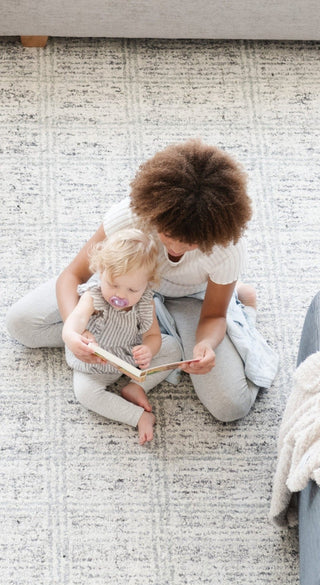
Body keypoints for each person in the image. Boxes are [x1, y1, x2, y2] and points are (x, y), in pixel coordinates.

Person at [6, 138, 278, 425]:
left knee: (230, 407)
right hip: (119, 289)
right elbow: (73, 276)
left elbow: (213, 315)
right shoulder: (132, 215)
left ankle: (241, 304)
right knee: (21, 323)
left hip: (189, 300)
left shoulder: (227, 248)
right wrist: (76, 328)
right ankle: (147, 334)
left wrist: (207, 345)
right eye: (168, 235)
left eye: (192, 244)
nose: (176, 249)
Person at [61, 228, 181, 445]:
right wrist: (70, 336)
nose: (120, 296)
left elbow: (153, 334)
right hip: (95, 362)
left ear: (147, 284)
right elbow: (76, 319)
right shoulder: (94, 295)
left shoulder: (145, 302)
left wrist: (149, 349)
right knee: (85, 393)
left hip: (128, 357)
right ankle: (139, 416)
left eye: (132, 289)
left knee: (173, 347)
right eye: (113, 284)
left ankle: (136, 386)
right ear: (101, 271)